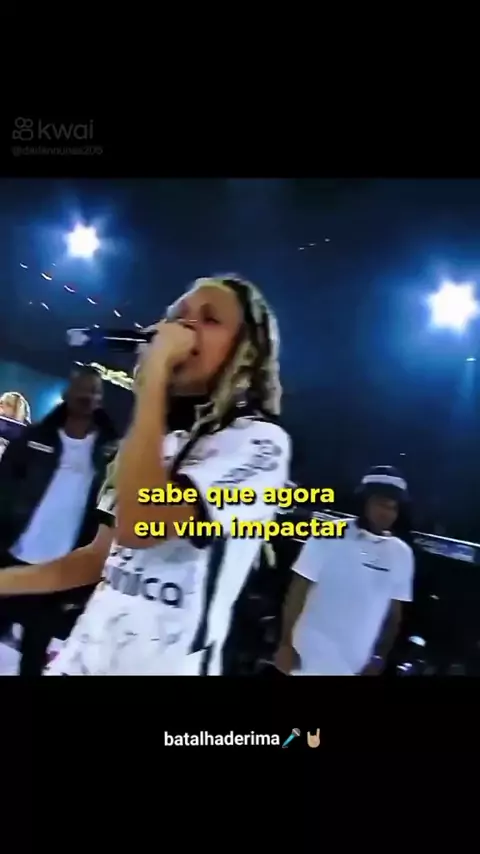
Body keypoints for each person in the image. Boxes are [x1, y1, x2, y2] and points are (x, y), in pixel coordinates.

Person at [0, 274, 290, 676]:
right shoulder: (151, 441)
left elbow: (142, 524)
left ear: (247, 354)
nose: (184, 327)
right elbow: (99, 558)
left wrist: (153, 375)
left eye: (209, 319)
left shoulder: (260, 444)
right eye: (178, 316)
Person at [0, 365, 118, 675]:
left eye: (94, 391)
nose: (86, 396)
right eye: (81, 388)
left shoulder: (110, 452)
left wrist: (80, 588)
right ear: (66, 393)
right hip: (11, 561)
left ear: (101, 399)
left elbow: (106, 519)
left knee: (32, 659)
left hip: (57, 577)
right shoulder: (33, 438)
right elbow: (4, 488)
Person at [274, 466, 415, 676]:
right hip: (306, 658)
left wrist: (380, 656)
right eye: (381, 504)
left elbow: (394, 615)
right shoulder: (329, 533)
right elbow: (297, 590)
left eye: (392, 507)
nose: (387, 512)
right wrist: (285, 643)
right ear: (365, 501)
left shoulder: (402, 554)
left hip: (355, 667)